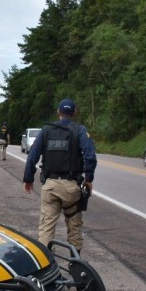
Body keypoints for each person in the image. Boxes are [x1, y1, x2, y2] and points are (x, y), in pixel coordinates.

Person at [23, 98, 96, 252]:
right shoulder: (80, 130)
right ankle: (75, 266)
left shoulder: (46, 130)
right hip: (71, 188)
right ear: (74, 113)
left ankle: (45, 265)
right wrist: (89, 179)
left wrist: (28, 179)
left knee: (46, 228)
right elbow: (90, 156)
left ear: (58, 112)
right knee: (74, 228)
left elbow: (32, 156)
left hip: (50, 187)